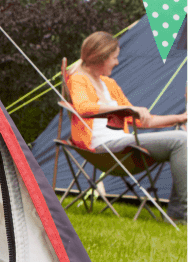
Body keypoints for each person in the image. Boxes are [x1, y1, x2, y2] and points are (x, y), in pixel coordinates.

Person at [68, 31, 187, 222]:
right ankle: (182, 214)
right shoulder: (78, 79)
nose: (116, 62)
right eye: (114, 58)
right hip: (102, 147)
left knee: (182, 139)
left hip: (121, 143)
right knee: (181, 140)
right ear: (101, 57)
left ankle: (178, 213)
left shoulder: (109, 83)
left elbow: (141, 121)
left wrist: (180, 118)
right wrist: (127, 108)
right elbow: (83, 108)